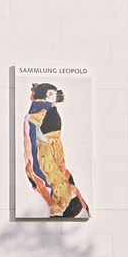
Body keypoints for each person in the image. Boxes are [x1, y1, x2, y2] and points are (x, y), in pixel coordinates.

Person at [23, 83, 90, 218]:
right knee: (57, 179)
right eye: (50, 94)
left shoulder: (48, 106)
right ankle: (62, 208)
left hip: (55, 145)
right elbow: (32, 131)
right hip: (46, 146)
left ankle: (71, 207)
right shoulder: (38, 109)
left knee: (63, 174)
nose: (54, 96)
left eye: (54, 93)